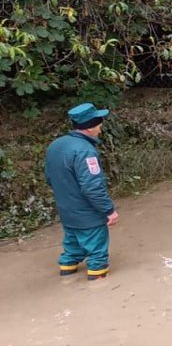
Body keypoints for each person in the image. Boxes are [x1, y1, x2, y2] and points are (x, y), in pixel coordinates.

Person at [44, 103, 119, 280]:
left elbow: (49, 178)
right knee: (97, 255)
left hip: (66, 211)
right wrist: (109, 210)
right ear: (91, 126)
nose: (101, 129)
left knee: (71, 247)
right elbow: (92, 187)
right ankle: (98, 285)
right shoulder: (85, 151)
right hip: (88, 215)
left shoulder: (56, 145)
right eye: (99, 125)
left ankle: (67, 271)